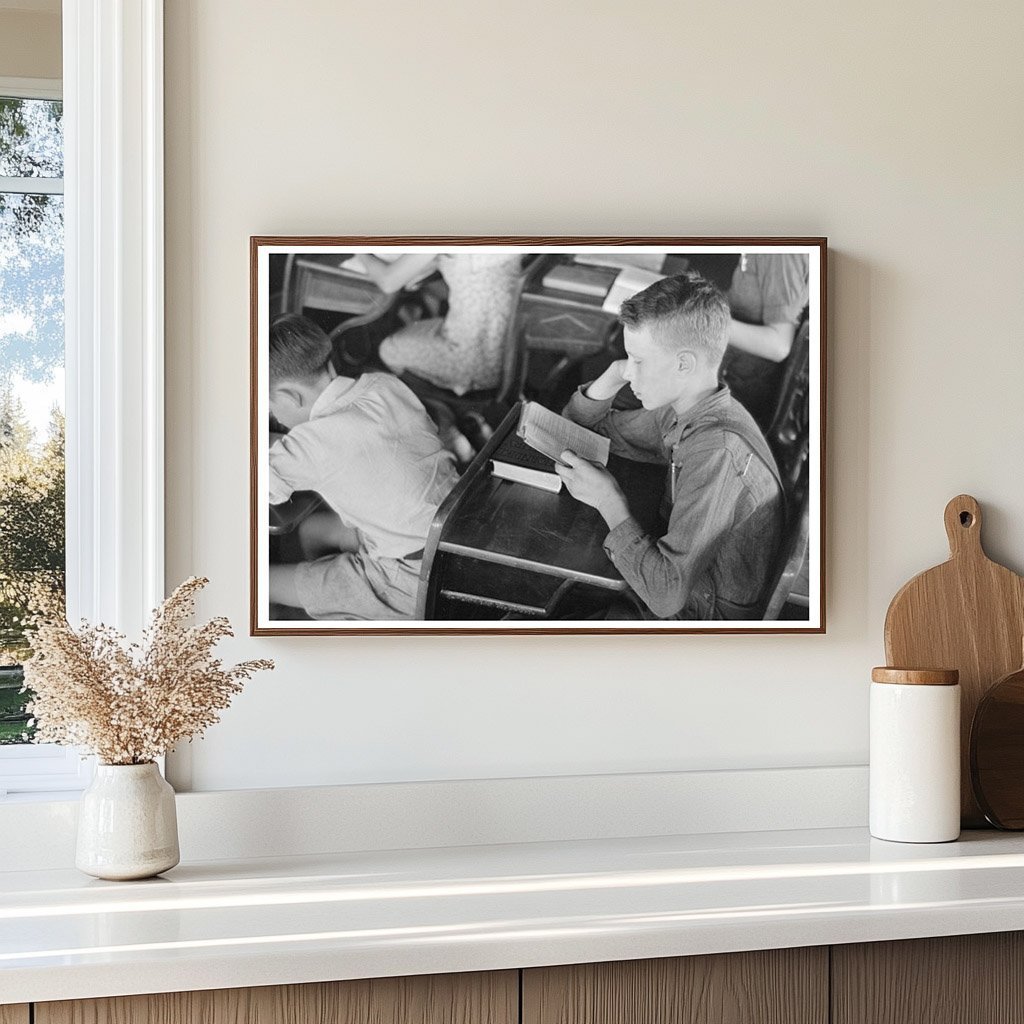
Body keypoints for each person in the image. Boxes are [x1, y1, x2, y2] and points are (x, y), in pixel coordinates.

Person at [557, 273, 785, 621]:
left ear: (684, 364)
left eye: (639, 360)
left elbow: (666, 597)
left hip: (702, 620)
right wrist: (616, 371)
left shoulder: (717, 451)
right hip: (681, 587)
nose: (631, 373)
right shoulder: (683, 407)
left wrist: (608, 500)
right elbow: (580, 429)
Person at [267, 314, 458, 620]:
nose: (276, 420)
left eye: (271, 410)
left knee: (262, 583)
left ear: (291, 396)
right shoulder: (385, 384)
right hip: (450, 539)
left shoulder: (312, 443)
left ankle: (342, 607)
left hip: (411, 580)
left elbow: (260, 484)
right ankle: (337, 603)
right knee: (310, 530)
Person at [359, 252, 523, 395]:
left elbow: (388, 282)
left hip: (471, 363)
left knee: (388, 348)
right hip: (508, 353)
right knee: (416, 317)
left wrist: (360, 252)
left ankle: (428, 405)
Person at [719, 252, 809, 428]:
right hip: (728, 370)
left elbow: (779, 345)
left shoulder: (779, 255)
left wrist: (705, 321)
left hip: (742, 389)